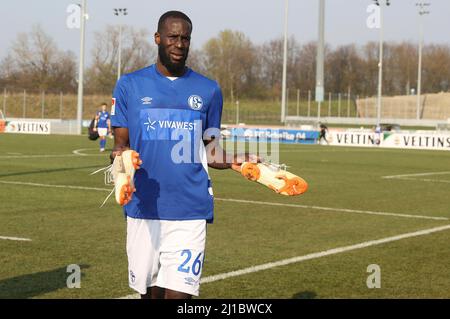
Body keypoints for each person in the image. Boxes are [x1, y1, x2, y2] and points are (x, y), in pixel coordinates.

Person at [110, 10, 257, 299]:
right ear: (158, 39)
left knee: (181, 297)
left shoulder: (209, 90)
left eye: (185, 38)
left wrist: (239, 160)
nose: (179, 44)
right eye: (173, 37)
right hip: (144, 207)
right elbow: (119, 146)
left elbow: (212, 151)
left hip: (190, 209)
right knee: (150, 296)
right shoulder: (129, 85)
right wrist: (122, 162)